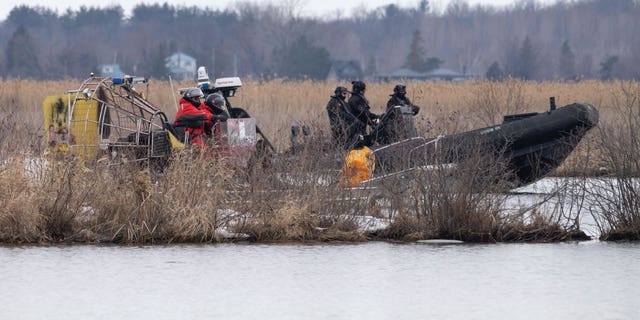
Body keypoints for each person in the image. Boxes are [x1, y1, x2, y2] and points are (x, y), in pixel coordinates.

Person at [347, 80, 379, 147]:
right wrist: (375, 118)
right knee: (360, 145)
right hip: (358, 127)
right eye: (364, 89)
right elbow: (364, 113)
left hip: (356, 126)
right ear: (361, 90)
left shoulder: (352, 99)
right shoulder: (358, 99)